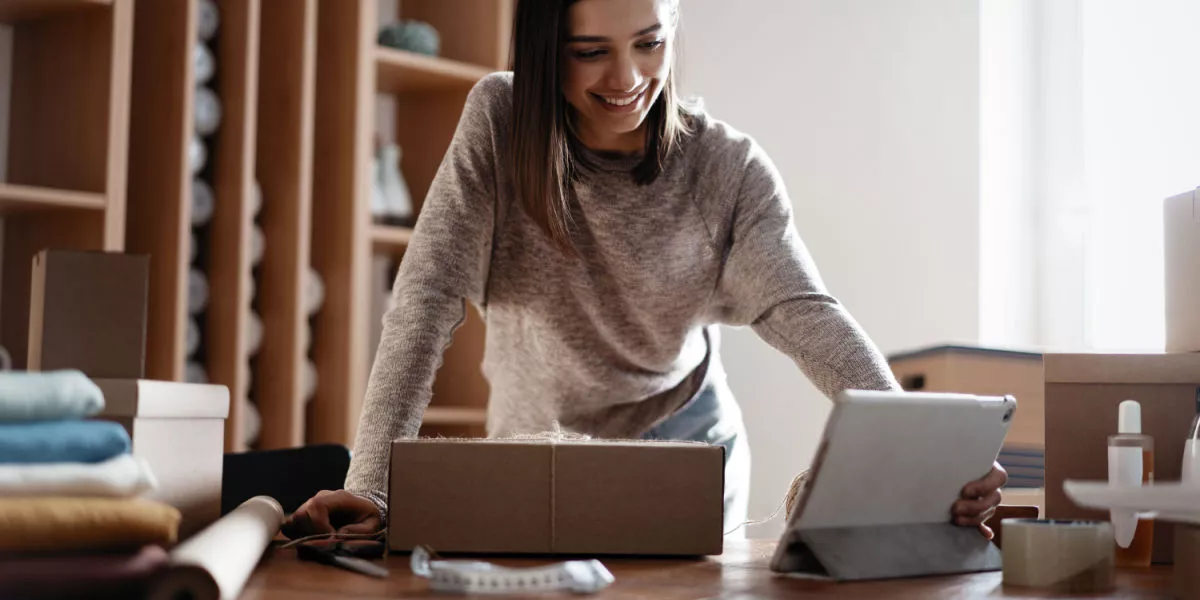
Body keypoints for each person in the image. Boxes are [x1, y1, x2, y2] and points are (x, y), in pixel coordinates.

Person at [282, 0, 1007, 541]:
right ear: (545, 49)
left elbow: (803, 310)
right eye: (590, 50)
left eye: (650, 42)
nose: (627, 78)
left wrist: (918, 456)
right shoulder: (497, 123)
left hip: (686, 455)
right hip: (531, 449)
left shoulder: (728, 166)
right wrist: (372, 486)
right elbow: (425, 298)